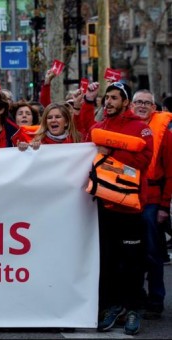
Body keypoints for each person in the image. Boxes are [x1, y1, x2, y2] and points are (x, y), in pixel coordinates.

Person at [85, 82, 153, 336]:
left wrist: (110, 153)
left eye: (114, 98)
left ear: (125, 102)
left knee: (133, 261)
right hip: (103, 206)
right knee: (109, 261)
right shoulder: (98, 127)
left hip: (131, 207)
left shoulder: (141, 129)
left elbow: (142, 163)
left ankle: (134, 308)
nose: (109, 102)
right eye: (107, 98)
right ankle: (114, 306)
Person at [131, 89, 171, 320]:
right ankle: (136, 297)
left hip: (153, 201)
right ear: (131, 105)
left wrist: (164, 206)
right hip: (127, 198)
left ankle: (156, 300)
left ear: (154, 108)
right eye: (138, 102)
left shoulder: (164, 134)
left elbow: (170, 172)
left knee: (152, 253)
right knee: (130, 253)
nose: (143, 106)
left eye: (147, 103)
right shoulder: (123, 128)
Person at [16, 102, 82, 151]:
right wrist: (25, 149)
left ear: (66, 122)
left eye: (58, 117)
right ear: (46, 122)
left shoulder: (76, 140)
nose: (53, 120)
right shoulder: (37, 141)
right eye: (49, 118)